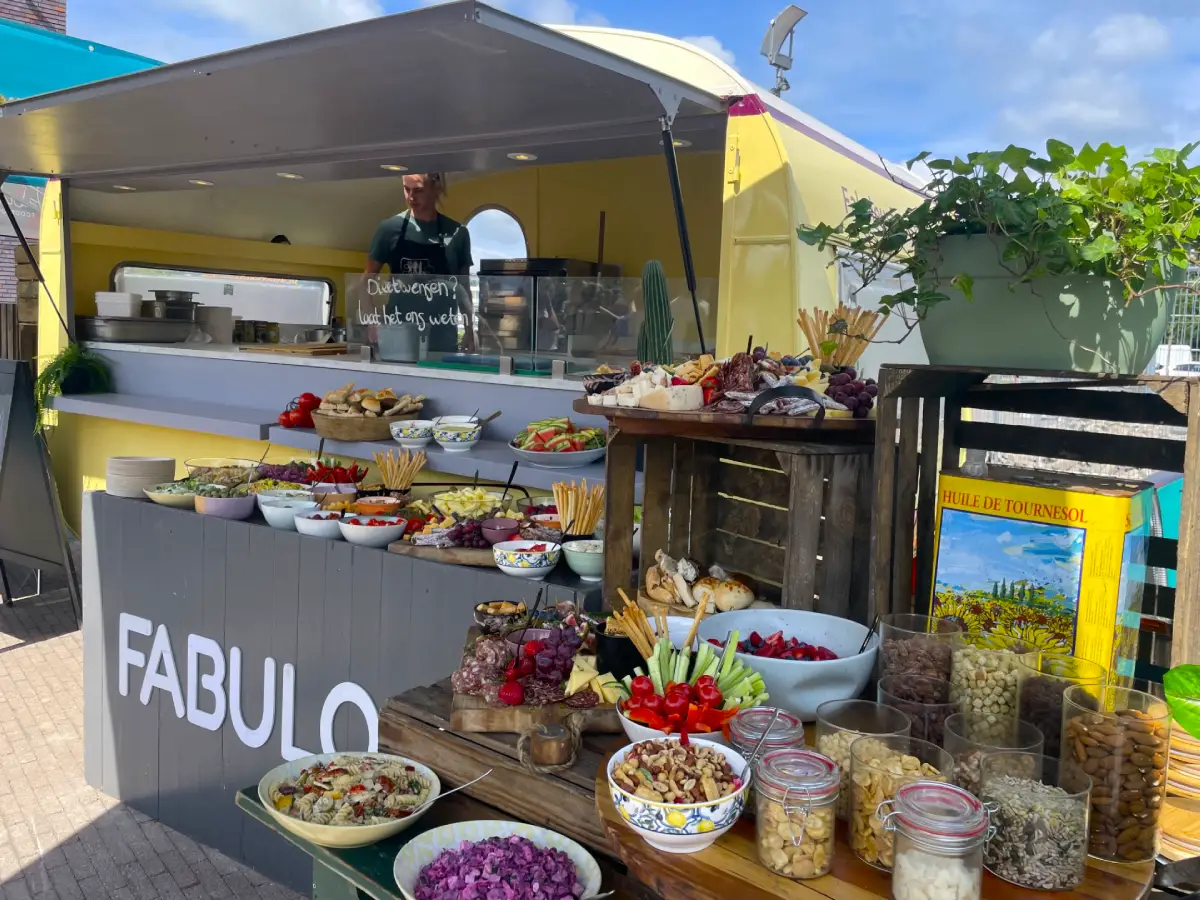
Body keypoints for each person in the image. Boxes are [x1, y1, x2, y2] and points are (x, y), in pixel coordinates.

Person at [365, 173, 475, 353]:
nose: (411, 197)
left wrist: (470, 330)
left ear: (436, 187)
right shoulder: (388, 229)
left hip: (443, 339)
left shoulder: (457, 233)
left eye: (418, 190)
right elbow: (366, 282)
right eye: (406, 189)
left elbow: (463, 288)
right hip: (399, 337)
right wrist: (372, 323)